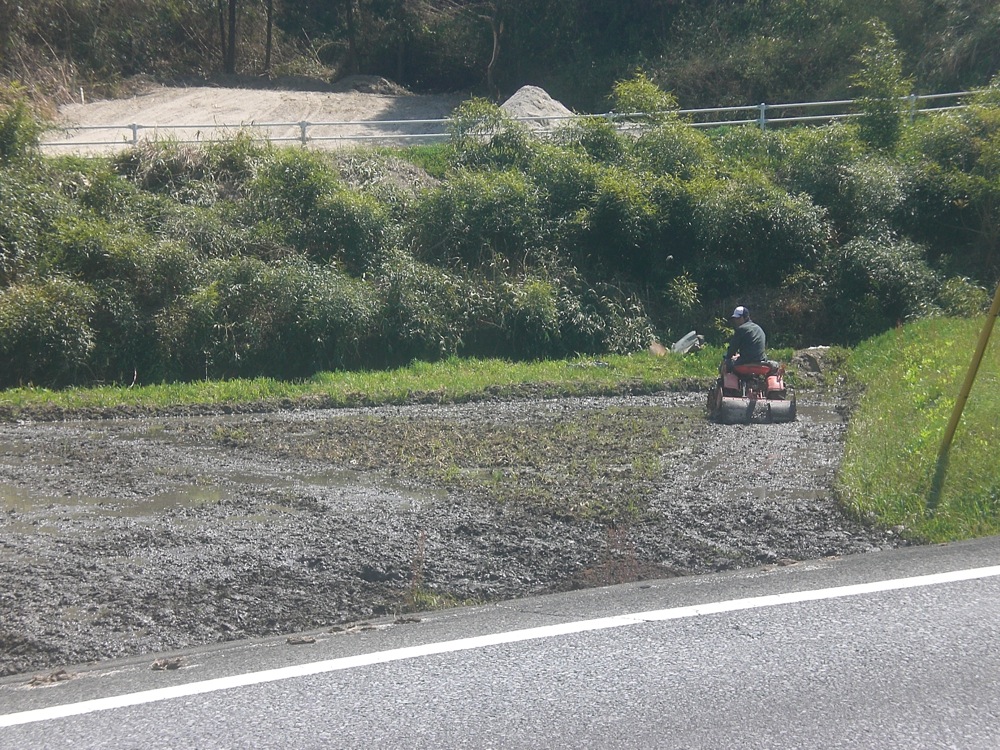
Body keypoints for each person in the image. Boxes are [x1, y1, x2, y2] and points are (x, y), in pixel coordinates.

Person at [724, 305, 767, 371]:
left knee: (726, 364)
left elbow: (733, 348)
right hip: (761, 360)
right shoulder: (758, 328)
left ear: (745, 317)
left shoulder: (741, 329)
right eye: (735, 318)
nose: (736, 321)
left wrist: (727, 357)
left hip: (746, 361)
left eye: (738, 318)